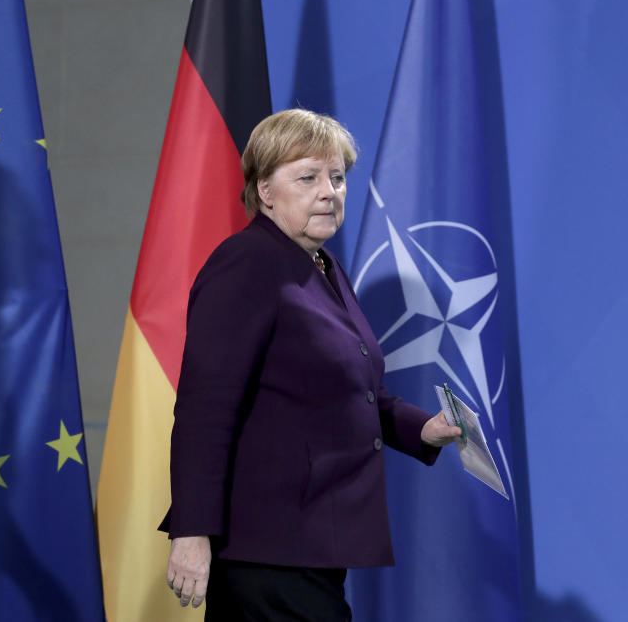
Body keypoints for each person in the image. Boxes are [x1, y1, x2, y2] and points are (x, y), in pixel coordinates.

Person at [160, 109, 463, 621]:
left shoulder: (320, 265)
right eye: (308, 177)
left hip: (309, 547)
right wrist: (192, 532)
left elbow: (352, 389)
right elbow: (204, 410)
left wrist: (422, 430)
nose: (329, 191)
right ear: (265, 191)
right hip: (268, 552)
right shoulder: (248, 263)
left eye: (338, 177)